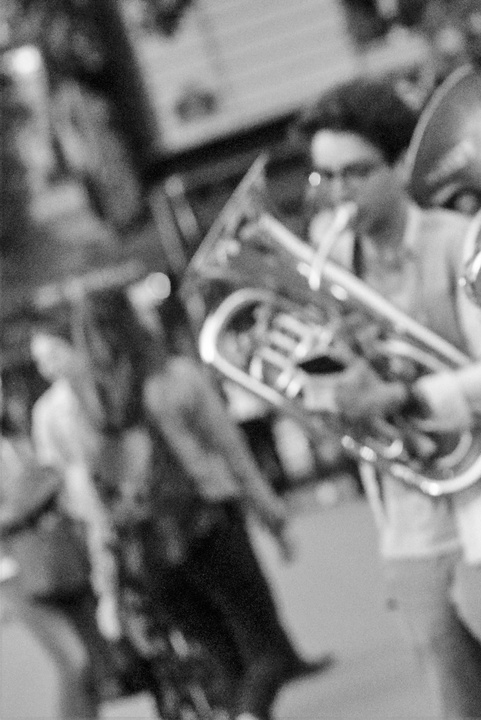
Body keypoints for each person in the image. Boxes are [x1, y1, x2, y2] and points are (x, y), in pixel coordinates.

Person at [294, 79, 481, 720]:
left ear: (400, 165)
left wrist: (404, 393)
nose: (339, 194)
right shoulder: (327, 263)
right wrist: (326, 392)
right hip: (409, 529)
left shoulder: (460, 241)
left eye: (356, 173)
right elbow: (328, 396)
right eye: (326, 178)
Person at [30, 297, 326, 720]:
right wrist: (272, 516)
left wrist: (108, 584)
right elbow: (231, 450)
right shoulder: (175, 377)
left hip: (144, 547)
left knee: (222, 657)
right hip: (205, 521)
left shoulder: (79, 408)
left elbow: (94, 504)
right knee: (264, 647)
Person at [0, 367, 111, 719]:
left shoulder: (17, 439)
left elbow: (52, 476)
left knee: (96, 664)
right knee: (74, 662)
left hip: (55, 555)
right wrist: (28, 501)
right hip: (13, 573)